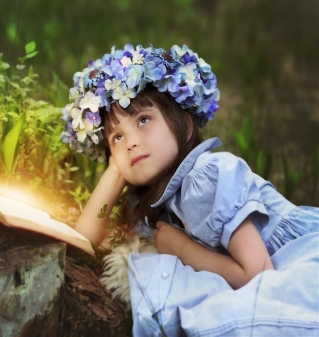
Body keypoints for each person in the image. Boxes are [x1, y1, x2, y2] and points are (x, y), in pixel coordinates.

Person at [61, 44, 319, 336]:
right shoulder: (154, 203)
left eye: (143, 120)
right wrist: (116, 170)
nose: (131, 142)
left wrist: (184, 250)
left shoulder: (206, 176)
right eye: (117, 137)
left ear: (184, 126)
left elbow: (260, 275)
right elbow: (83, 239)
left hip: (300, 263)